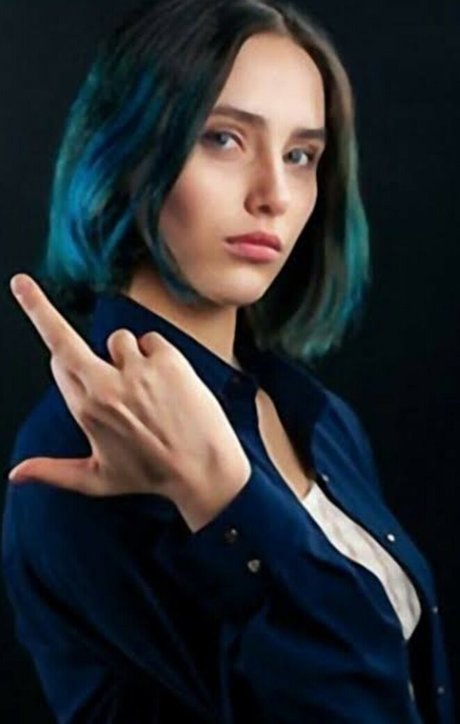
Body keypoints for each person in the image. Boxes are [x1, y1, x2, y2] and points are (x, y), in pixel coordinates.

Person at [2, 1, 455, 722]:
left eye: (301, 156)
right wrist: (226, 498)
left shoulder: (318, 417)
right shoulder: (85, 452)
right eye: (223, 138)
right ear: (130, 151)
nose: (274, 196)